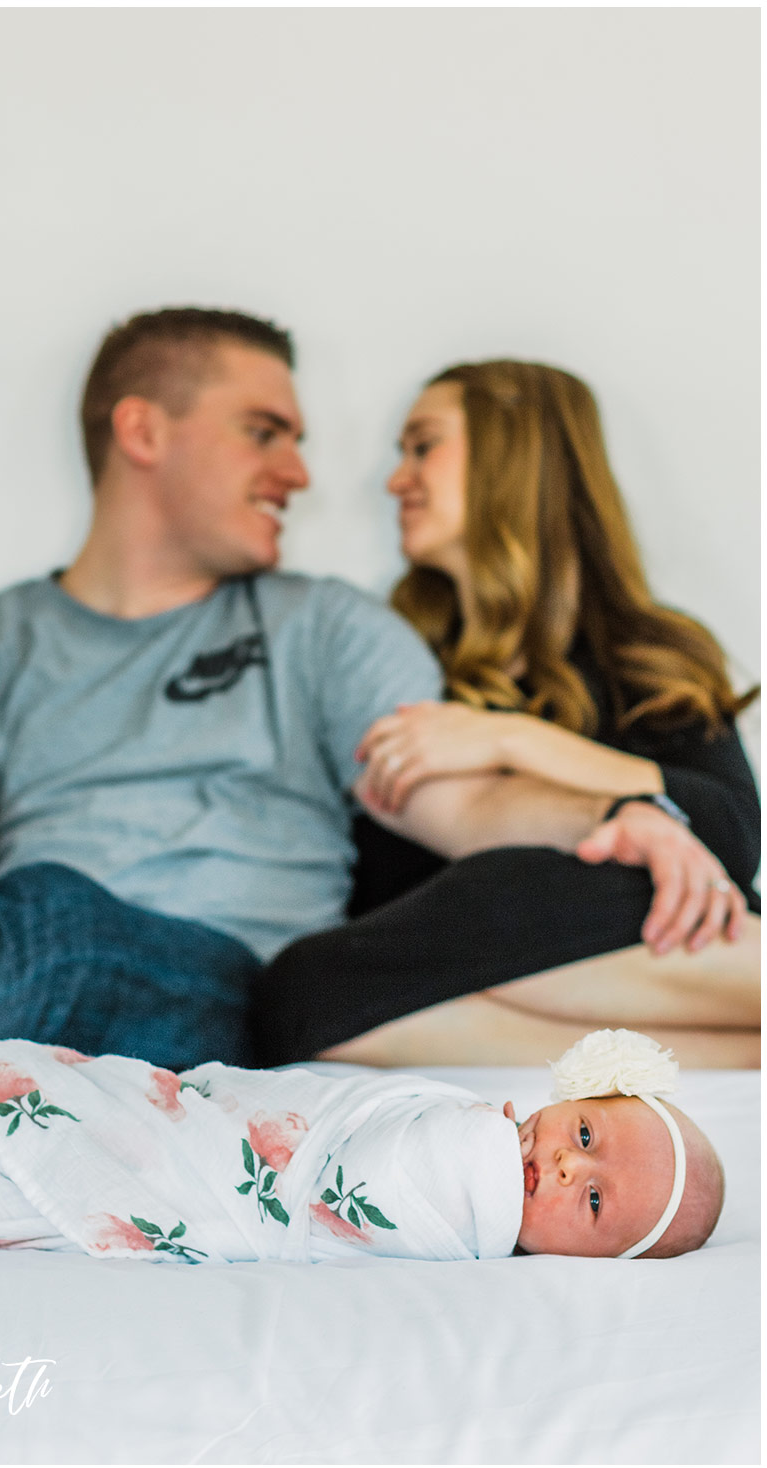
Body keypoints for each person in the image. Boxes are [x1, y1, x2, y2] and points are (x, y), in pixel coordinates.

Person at [0, 317, 750, 1123]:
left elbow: (458, 799)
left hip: (213, 985)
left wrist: (621, 810)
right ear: (143, 432)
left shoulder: (331, 627)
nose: (305, 473)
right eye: (264, 432)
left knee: (56, 915)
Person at [253, 360, 760, 1069]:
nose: (397, 480)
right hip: (479, 960)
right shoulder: (393, 655)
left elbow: (727, 842)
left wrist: (508, 740)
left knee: (587, 873)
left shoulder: (646, 650)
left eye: (423, 446)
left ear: (512, 458)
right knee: (303, 995)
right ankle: (723, 1054)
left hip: (648, 932)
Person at [0, 1028, 722, 1263]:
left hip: (219, 1198)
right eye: (587, 1134)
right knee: (90, 1092)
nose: (563, 1166)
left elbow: (393, 1178)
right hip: (199, 1124)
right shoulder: (466, 1116)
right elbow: (320, 1115)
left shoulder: (470, 1199)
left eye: (592, 1201)